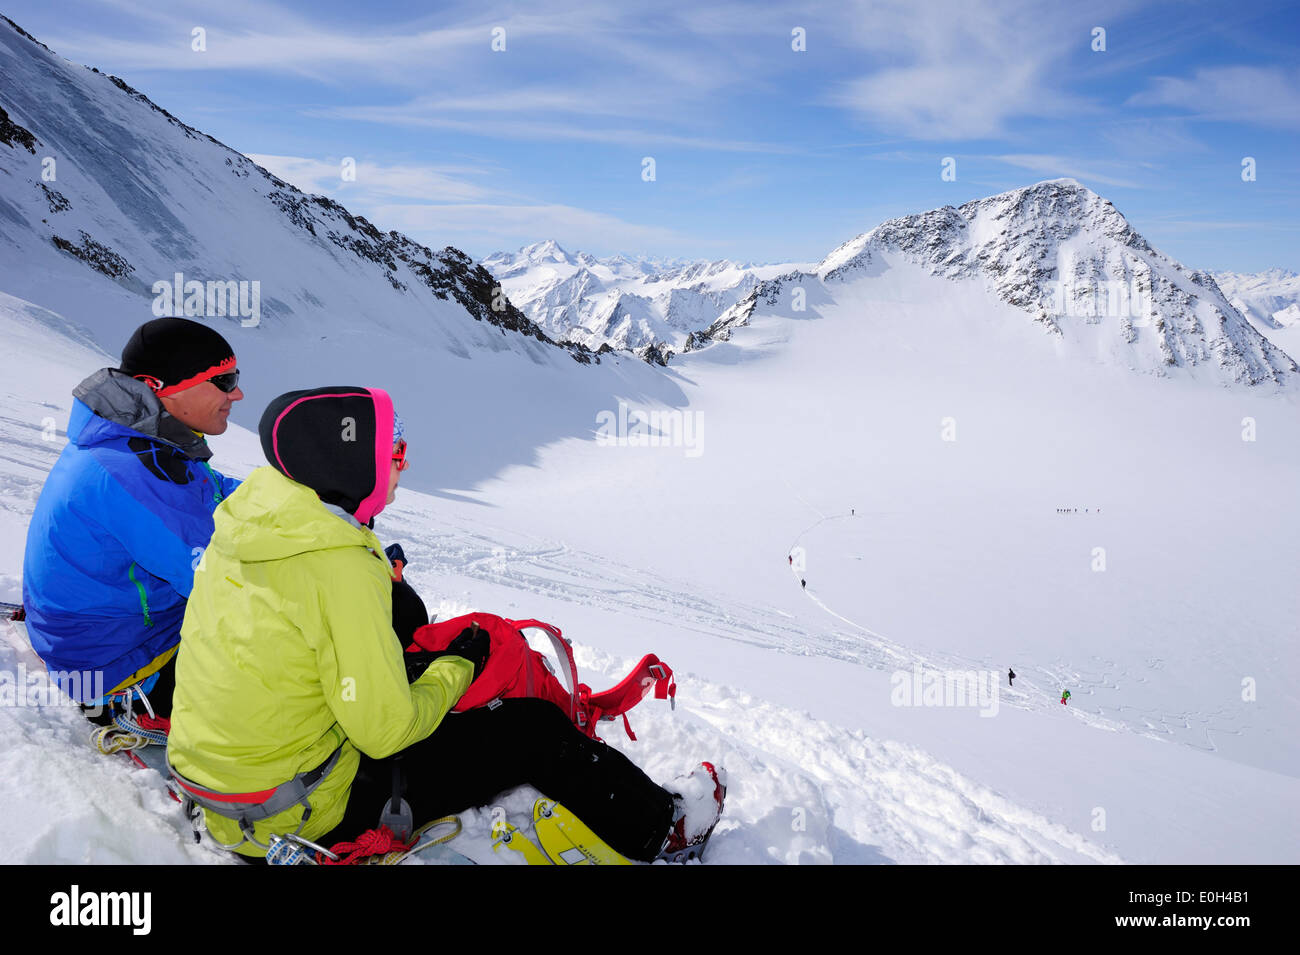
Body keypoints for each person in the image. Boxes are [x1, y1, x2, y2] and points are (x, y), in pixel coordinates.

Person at [167, 385, 724, 864]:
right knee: (528, 730)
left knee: (408, 647)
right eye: (396, 449)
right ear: (351, 462)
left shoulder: (249, 525)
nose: (403, 464)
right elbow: (385, 732)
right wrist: (459, 665)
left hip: (217, 794)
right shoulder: (340, 563)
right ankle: (662, 827)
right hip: (299, 814)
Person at [22, 317, 243, 725]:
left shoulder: (141, 440)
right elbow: (226, 586)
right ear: (159, 386)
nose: (238, 393)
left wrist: (291, 498)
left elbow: (210, 489)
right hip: (118, 663)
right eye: (224, 381)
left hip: (113, 632)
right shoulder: (128, 472)